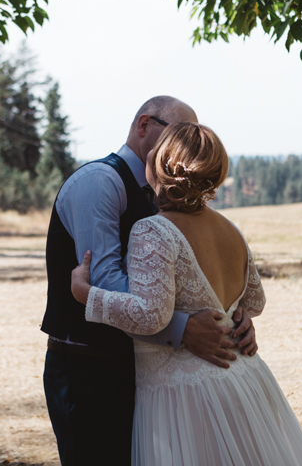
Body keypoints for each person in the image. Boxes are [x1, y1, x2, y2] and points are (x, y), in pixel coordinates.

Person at [70, 122, 302, 466]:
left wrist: (88, 294)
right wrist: (236, 314)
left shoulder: (153, 230)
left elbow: (151, 315)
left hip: (186, 399)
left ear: (158, 164)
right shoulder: (229, 227)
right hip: (244, 379)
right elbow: (255, 302)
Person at [41, 96, 258, 466]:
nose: (184, 145)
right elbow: (106, 281)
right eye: (175, 133)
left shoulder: (175, 204)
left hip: (151, 371)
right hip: (90, 369)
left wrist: (232, 318)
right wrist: (183, 328)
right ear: (144, 126)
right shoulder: (100, 182)